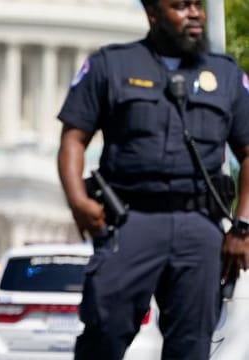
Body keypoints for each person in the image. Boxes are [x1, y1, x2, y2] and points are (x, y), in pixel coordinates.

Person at [57, 1, 249, 359]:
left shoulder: (225, 74)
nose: (194, 13)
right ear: (153, 14)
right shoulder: (111, 65)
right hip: (130, 223)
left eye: (197, 5)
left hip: (199, 227)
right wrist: (78, 201)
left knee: (192, 345)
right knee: (104, 332)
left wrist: (243, 226)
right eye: (180, 6)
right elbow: (74, 138)